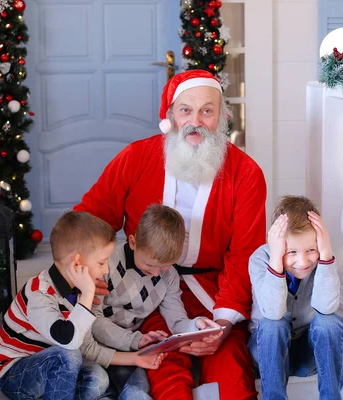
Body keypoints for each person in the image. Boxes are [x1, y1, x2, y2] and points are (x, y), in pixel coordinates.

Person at [74, 69, 267, 399]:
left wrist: (224, 323)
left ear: (221, 117)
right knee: (165, 370)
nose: (196, 121)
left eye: (207, 110)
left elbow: (246, 254)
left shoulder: (246, 174)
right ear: (171, 116)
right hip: (146, 294)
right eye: (185, 110)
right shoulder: (136, 158)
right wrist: (89, 280)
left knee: (231, 376)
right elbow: (89, 222)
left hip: (214, 293)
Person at [91, 204, 220, 400]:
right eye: (150, 265)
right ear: (133, 242)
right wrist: (134, 340)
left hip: (130, 352)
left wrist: (196, 325)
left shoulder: (169, 276)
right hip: (95, 346)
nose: (156, 273)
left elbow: (176, 322)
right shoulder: (106, 264)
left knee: (139, 393)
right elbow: (94, 321)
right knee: (98, 387)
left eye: (166, 266)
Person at [0, 211, 116, 400]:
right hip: (13, 374)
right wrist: (88, 295)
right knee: (69, 355)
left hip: (49, 366)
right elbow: (68, 341)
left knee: (99, 377)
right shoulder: (39, 293)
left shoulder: (77, 289)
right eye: (101, 262)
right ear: (78, 262)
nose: (105, 270)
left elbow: (83, 343)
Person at [248, 196, 343, 400]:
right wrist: (276, 257)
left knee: (329, 321)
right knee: (273, 325)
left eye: (311, 249)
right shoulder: (260, 259)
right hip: (268, 353)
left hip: (306, 355)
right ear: (276, 245)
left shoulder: (324, 257)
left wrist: (325, 253)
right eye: (291, 252)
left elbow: (326, 308)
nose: (303, 261)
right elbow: (273, 313)